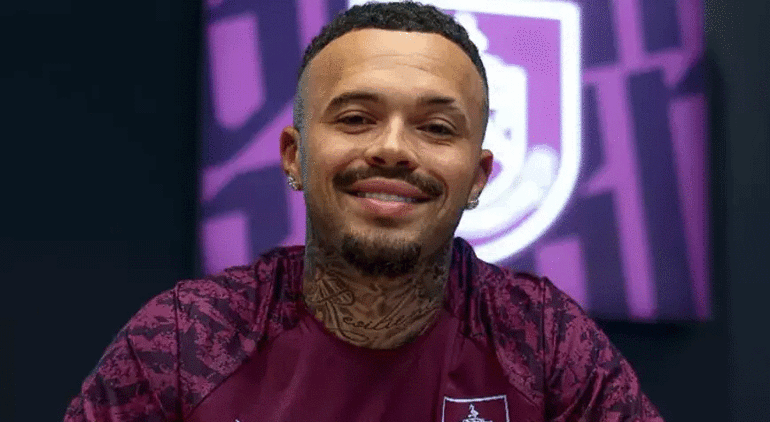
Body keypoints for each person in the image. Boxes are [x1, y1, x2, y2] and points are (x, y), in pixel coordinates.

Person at [65, 2, 664, 421]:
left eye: (436, 127)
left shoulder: (546, 345)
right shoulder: (185, 342)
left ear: (479, 176)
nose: (393, 149)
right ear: (295, 156)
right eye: (356, 118)